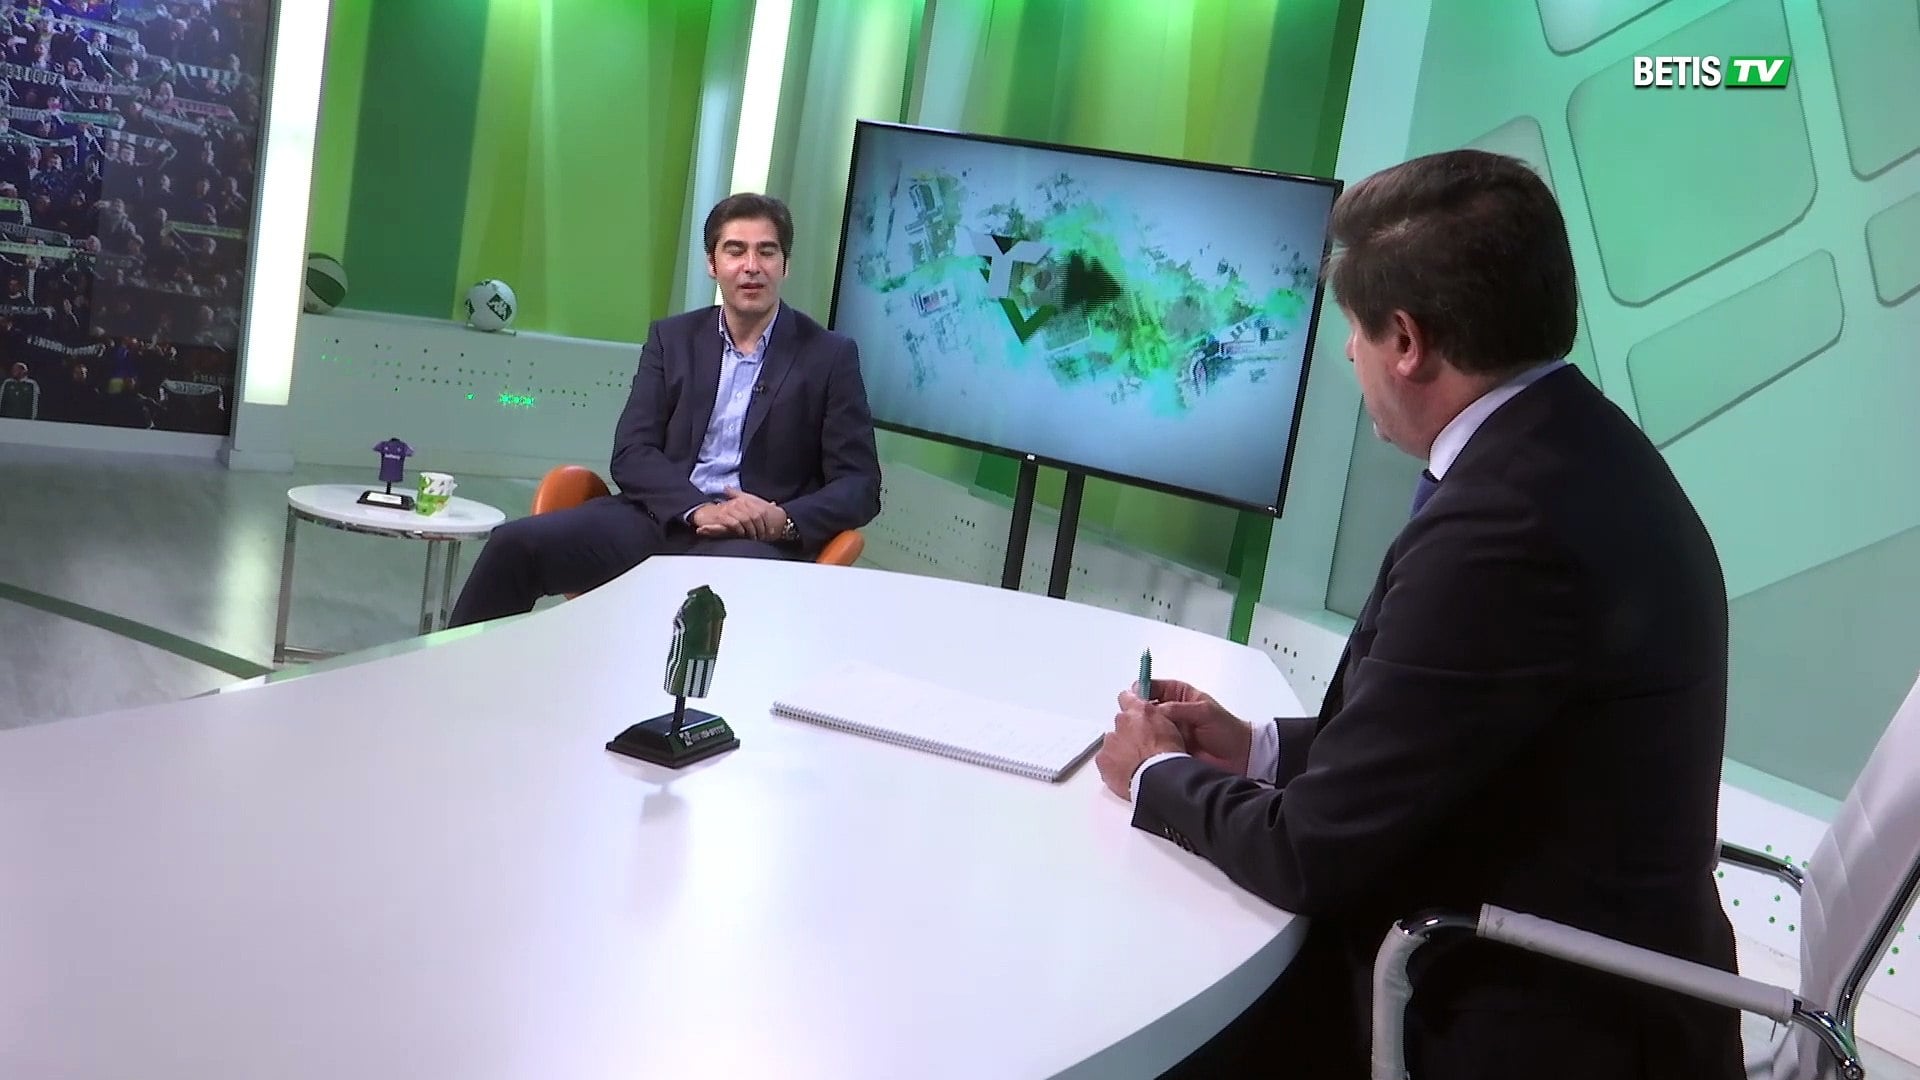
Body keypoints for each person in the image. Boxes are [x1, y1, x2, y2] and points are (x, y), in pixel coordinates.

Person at [1094, 150, 1742, 1079]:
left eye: (1354, 330)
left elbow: (1311, 857)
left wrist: (1156, 774)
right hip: (1575, 943)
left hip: (1530, 1016)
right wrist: (1258, 748)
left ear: (1405, 340)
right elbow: (1444, 735)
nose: (1347, 354)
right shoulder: (1569, 442)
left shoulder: (1505, 532)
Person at [447, 193, 882, 627]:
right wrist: (698, 509)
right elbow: (632, 451)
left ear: (785, 266)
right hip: (660, 517)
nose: (751, 266)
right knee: (513, 545)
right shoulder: (672, 339)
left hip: (750, 540)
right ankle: (457, 666)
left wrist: (781, 520)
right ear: (712, 264)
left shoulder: (829, 356)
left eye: (766, 252)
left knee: (707, 604)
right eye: (735, 251)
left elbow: (860, 484)